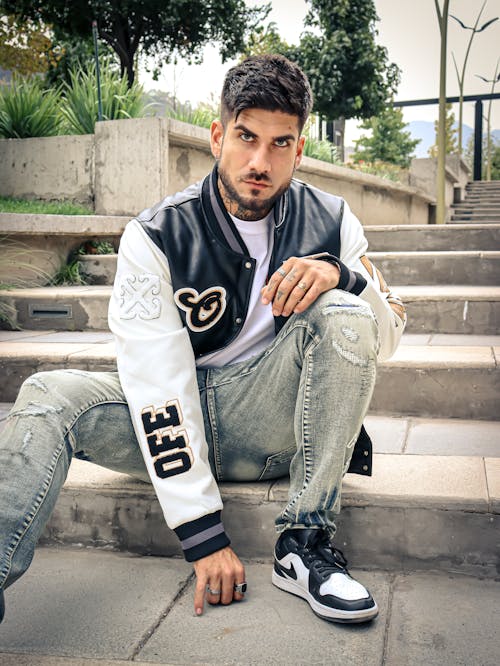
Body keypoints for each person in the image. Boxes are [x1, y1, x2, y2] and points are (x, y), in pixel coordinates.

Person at [0, 54, 406, 626]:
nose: (260, 162)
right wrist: (203, 534)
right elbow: (157, 382)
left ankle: (305, 546)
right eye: (245, 137)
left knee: (344, 311)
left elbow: (385, 336)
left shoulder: (333, 220)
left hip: (273, 419)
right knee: (47, 393)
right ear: (218, 135)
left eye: (280, 144)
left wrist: (346, 276)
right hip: (174, 414)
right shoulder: (157, 235)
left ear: (300, 148)